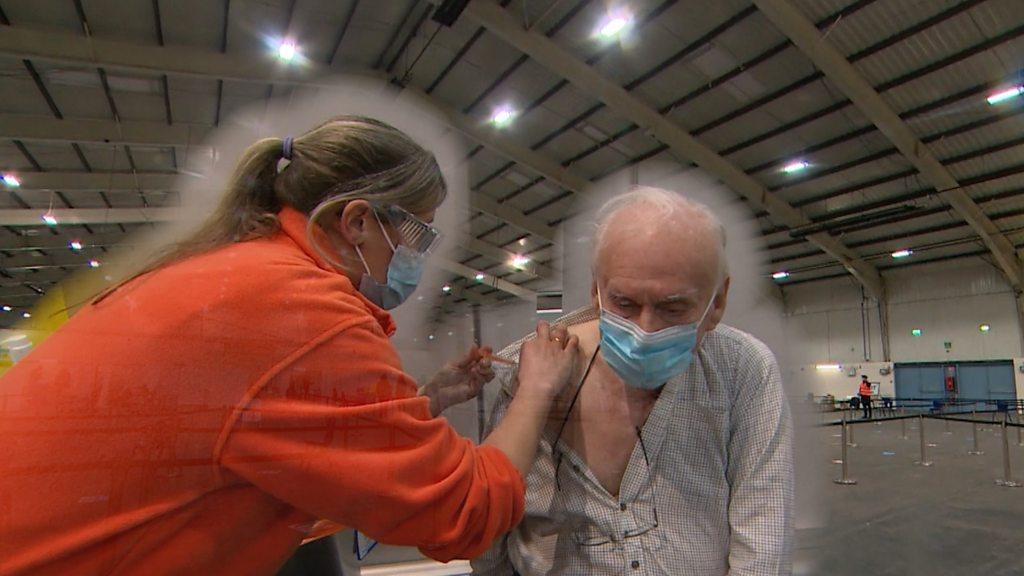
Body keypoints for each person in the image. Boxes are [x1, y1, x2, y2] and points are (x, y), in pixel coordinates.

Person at [0, 116, 581, 576]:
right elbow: (464, 512)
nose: (420, 257)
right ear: (357, 222)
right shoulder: (299, 312)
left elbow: (280, 443)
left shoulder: (236, 275)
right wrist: (535, 390)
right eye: (420, 233)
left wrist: (423, 403)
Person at [471, 187, 793, 576]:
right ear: (596, 290)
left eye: (672, 307)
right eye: (624, 304)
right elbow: (492, 528)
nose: (645, 330)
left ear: (718, 300)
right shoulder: (531, 369)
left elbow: (763, 533)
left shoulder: (743, 369)